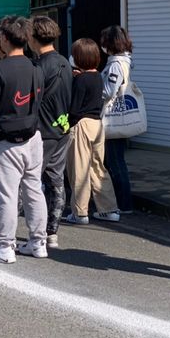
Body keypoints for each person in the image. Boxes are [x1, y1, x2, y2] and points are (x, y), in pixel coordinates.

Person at [0, 16, 47, 263]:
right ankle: (38, 242)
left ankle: (5, 246)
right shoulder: (36, 66)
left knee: (7, 194)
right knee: (34, 190)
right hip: (34, 136)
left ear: (4, 38)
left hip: (8, 138)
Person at [28, 16, 72, 249]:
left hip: (41, 132)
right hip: (62, 129)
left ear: (33, 38)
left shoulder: (38, 67)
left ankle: (32, 234)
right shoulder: (65, 62)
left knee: (31, 183)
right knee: (56, 182)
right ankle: (52, 231)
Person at [66, 38, 121, 224]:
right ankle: (109, 209)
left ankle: (80, 212)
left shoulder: (80, 80)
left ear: (79, 58)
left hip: (81, 125)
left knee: (79, 169)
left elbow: (74, 109)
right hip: (97, 125)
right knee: (98, 167)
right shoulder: (97, 76)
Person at [100, 25, 135, 214]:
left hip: (112, 119)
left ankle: (123, 203)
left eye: (104, 41)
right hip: (119, 117)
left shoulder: (115, 64)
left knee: (115, 161)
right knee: (116, 160)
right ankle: (123, 202)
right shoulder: (125, 61)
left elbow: (108, 91)